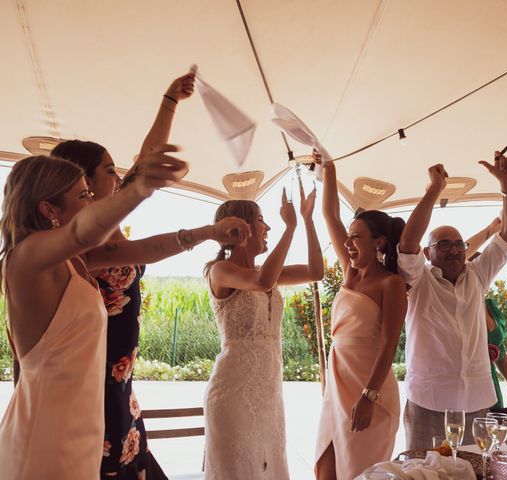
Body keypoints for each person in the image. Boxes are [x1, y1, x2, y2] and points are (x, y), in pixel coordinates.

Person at [50, 73, 251, 480]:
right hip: (92, 393)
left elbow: (144, 163)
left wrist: (170, 101)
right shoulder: (78, 245)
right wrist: (207, 232)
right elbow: (147, 244)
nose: (119, 176)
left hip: (121, 389)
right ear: (82, 182)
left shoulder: (109, 230)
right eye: (109, 170)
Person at [0, 147, 188, 479]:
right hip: (48, 437)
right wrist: (140, 189)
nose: (93, 202)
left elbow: (136, 248)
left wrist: (203, 234)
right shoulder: (25, 258)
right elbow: (81, 231)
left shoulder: (75, 262)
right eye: (83, 195)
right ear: (48, 209)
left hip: (82, 428)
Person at [397, 151, 507, 448]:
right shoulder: (418, 281)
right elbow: (406, 243)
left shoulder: (477, 276)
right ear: (428, 253)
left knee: (473, 471)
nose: (455, 250)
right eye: (444, 245)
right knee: (423, 474)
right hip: (428, 402)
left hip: (476, 402)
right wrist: (434, 190)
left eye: (459, 245)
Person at [204, 183, 324, 479]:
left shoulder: (264, 271)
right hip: (233, 395)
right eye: (260, 220)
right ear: (239, 229)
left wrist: (307, 221)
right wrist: (290, 228)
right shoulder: (219, 271)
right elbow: (263, 282)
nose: (268, 226)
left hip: (269, 394)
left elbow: (315, 271)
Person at [314, 155, 407, 480]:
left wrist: (369, 396)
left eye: (355, 237)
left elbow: (389, 343)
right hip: (337, 389)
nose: (347, 242)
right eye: (348, 236)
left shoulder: (391, 284)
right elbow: (329, 214)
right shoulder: (348, 272)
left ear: (378, 242)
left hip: (371, 391)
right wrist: (329, 169)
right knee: (324, 472)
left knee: (358, 475)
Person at [465, 218, 507, 410]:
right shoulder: (453, 307)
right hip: (463, 391)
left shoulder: (490, 307)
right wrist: (489, 230)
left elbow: (499, 352)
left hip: (490, 388)